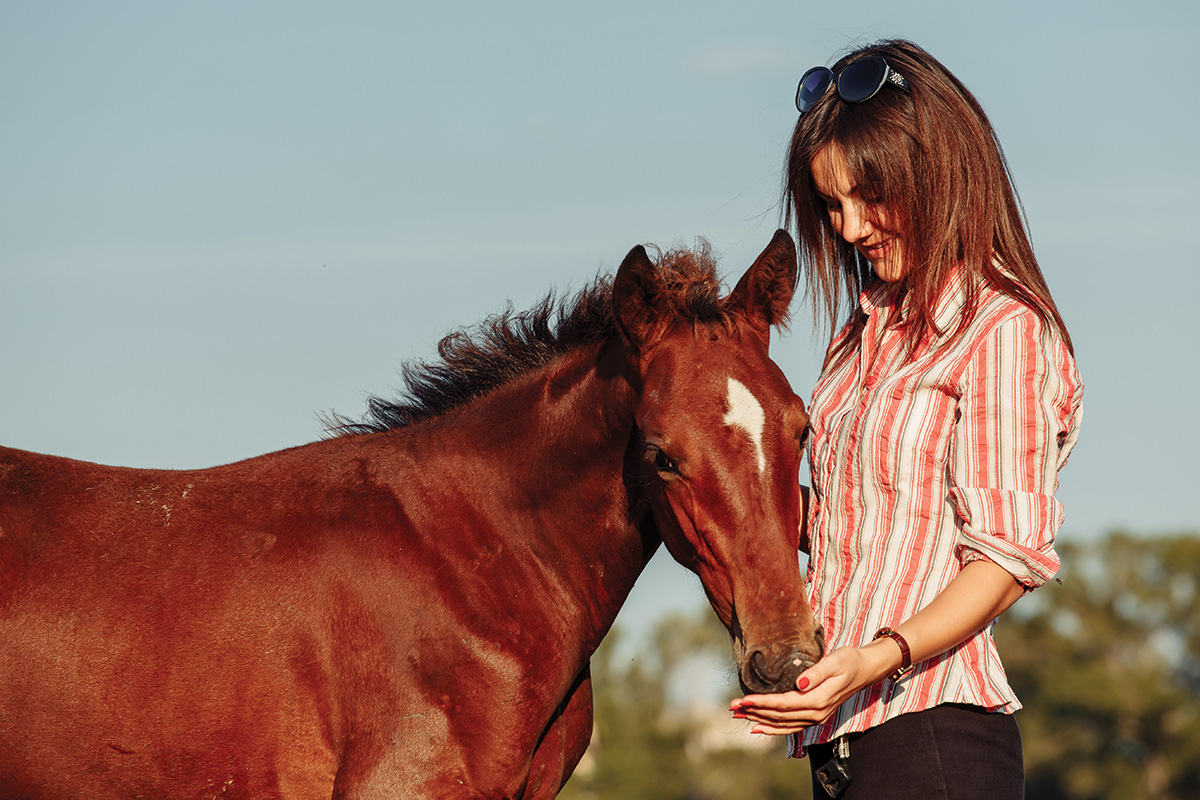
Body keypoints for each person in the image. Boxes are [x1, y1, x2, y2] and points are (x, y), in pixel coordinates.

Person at [729, 39, 1084, 798]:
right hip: (840, 744)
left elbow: (1006, 559)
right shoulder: (861, 335)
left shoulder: (1001, 328)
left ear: (935, 173)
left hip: (935, 737)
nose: (851, 228)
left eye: (871, 196)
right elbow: (837, 524)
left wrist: (876, 656)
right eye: (832, 205)